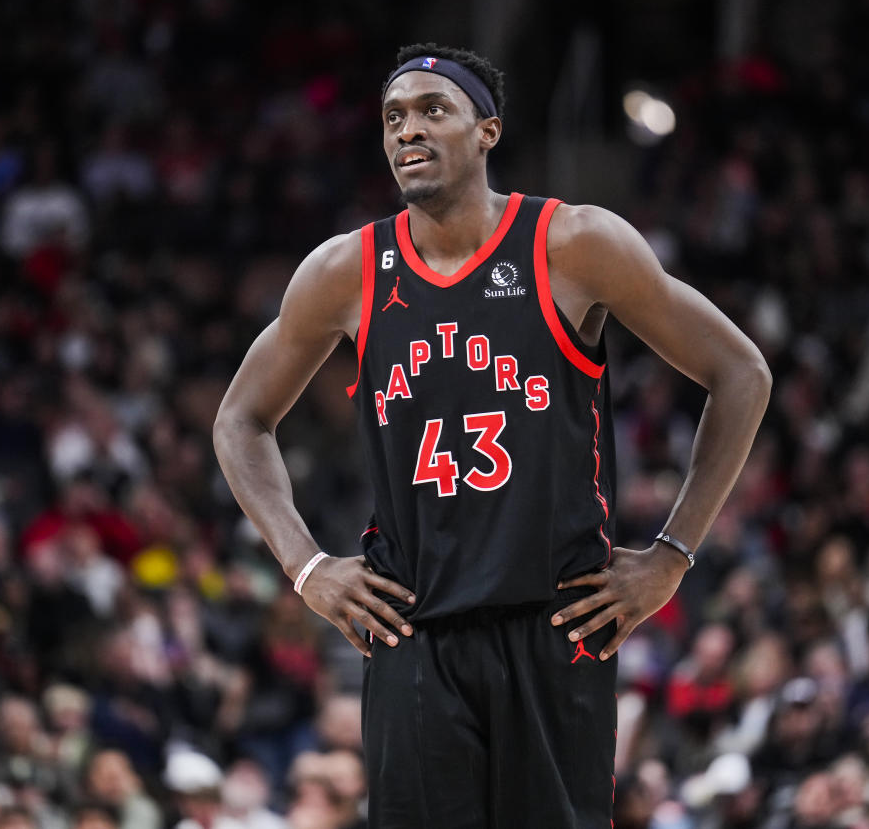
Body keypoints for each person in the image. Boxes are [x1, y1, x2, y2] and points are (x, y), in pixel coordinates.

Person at [214, 43, 771, 828]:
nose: (410, 129)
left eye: (434, 110)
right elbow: (239, 420)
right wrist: (306, 567)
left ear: (488, 131)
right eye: (394, 117)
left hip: (554, 628)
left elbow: (741, 372)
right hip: (413, 633)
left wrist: (673, 557)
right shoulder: (347, 271)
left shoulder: (574, 244)